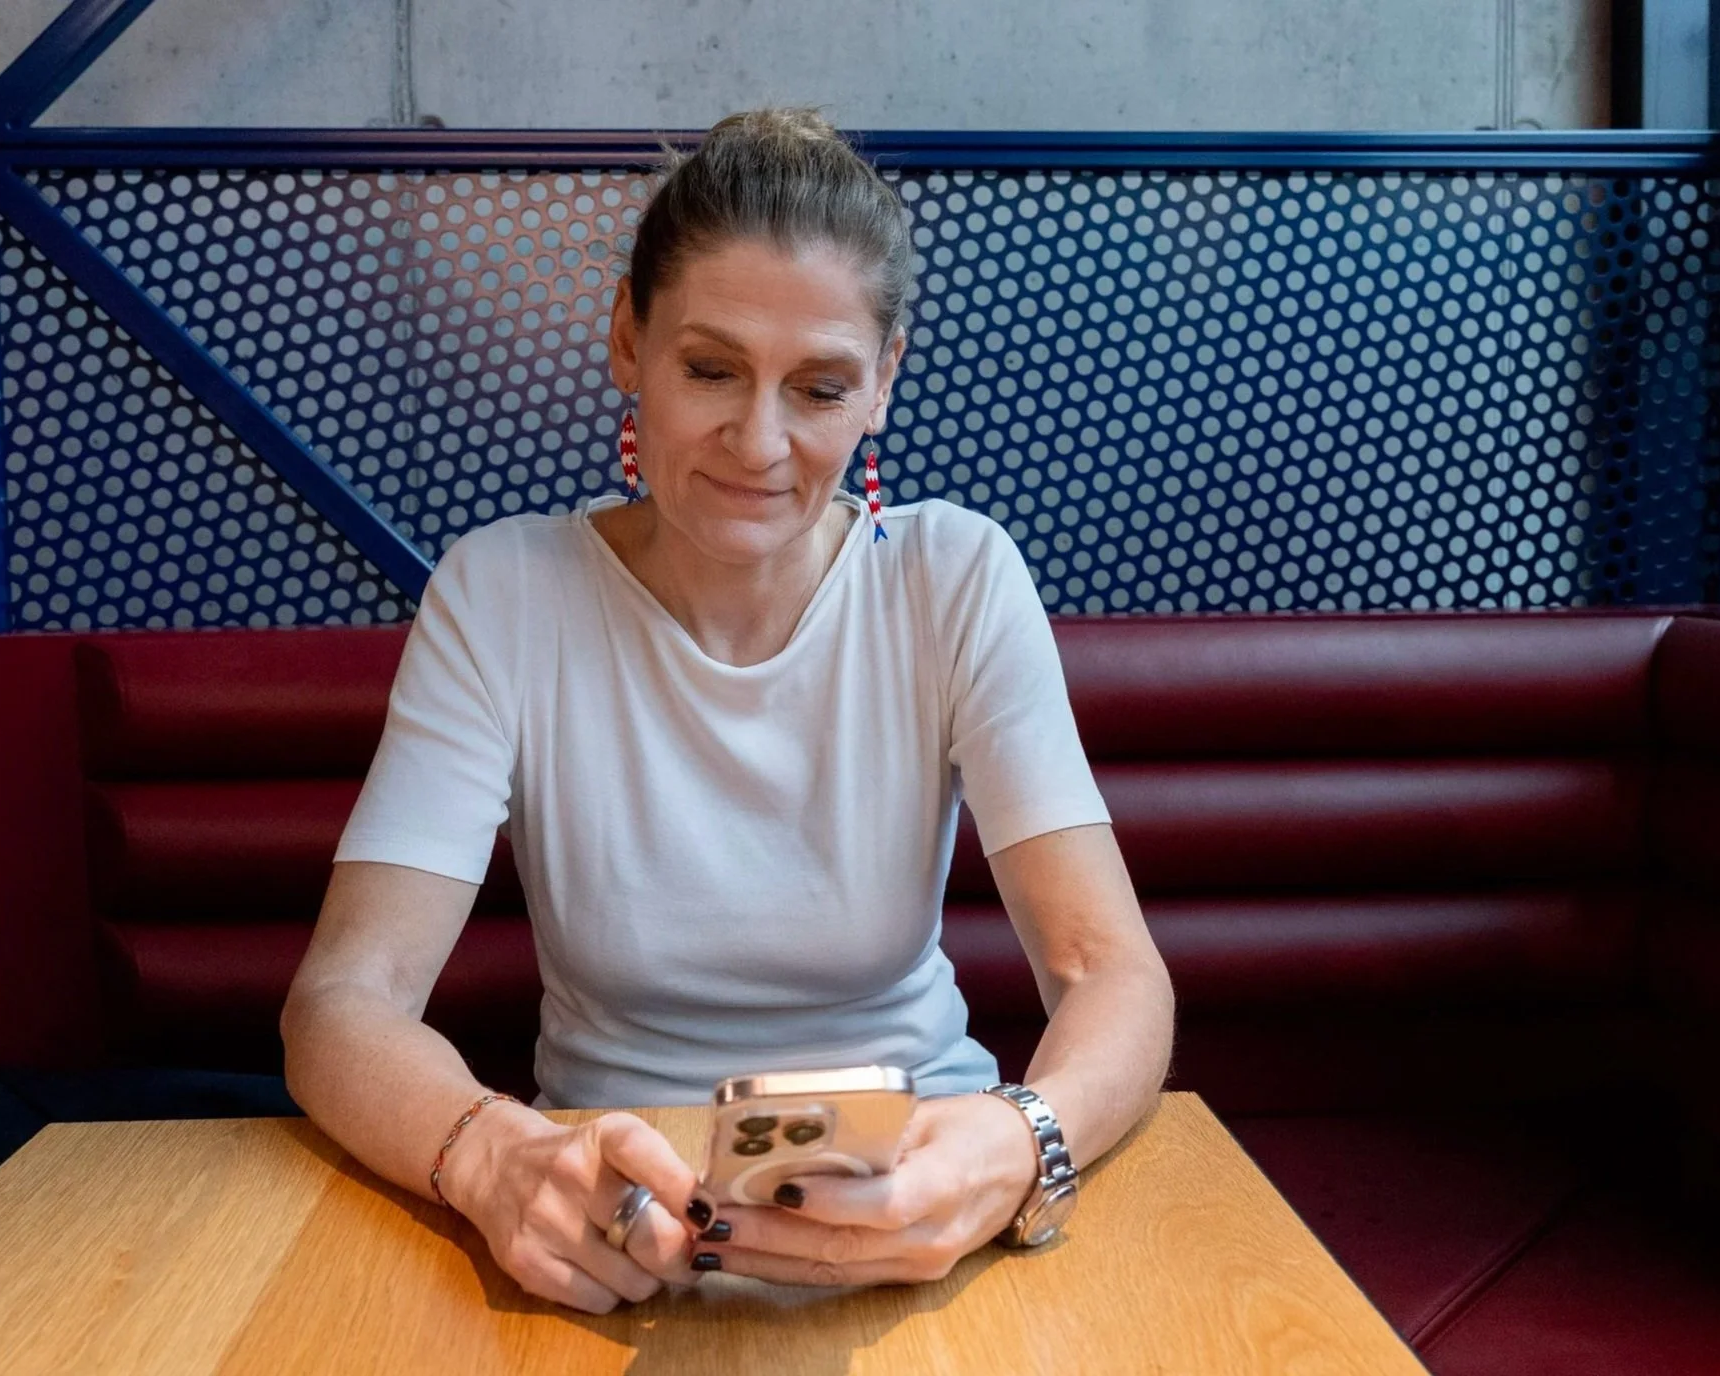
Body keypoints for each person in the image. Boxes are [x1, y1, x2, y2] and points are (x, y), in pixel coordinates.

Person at [282, 107, 1174, 1315]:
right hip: (608, 1225)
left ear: (882, 385)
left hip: (926, 1206)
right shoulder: (502, 592)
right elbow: (342, 999)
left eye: (818, 387)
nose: (759, 442)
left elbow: (1110, 968)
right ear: (625, 340)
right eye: (709, 369)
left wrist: (1015, 1144)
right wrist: (493, 1158)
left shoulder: (955, 577)